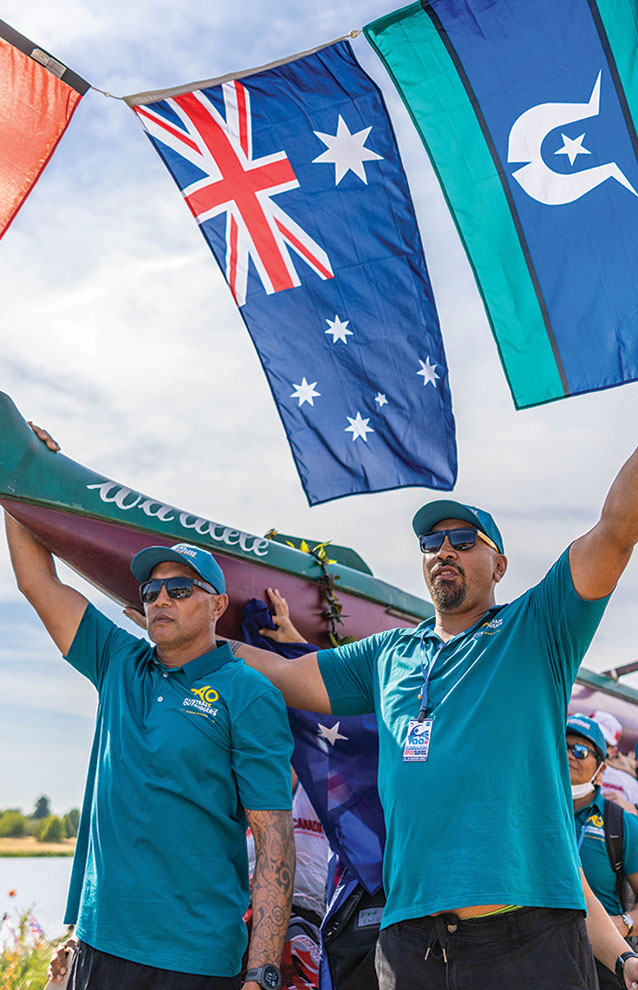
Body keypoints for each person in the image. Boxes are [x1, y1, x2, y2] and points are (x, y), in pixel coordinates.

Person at [223, 446, 638, 990]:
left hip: (529, 940)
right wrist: (195, 641)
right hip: (410, 945)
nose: (444, 550)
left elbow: (615, 529)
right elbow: (284, 675)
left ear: (499, 566)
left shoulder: (537, 628)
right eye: (431, 542)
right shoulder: (387, 653)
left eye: (463, 541)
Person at [5, 454, 295, 990]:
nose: (161, 598)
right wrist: (18, 467)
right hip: (101, 944)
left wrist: (262, 973)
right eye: (150, 592)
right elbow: (35, 580)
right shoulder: (118, 661)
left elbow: (274, 839)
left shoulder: (249, 694)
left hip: (196, 959)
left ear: (217, 606)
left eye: (180, 590)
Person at [568, 714, 638, 989]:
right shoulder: (528, 813)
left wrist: (622, 925)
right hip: (535, 955)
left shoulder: (621, 822)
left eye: (581, 750)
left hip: (601, 963)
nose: (569, 755)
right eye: (561, 747)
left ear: (601, 767)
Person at [591, 709, 638, 814]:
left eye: (603, 742)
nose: (593, 745)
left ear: (612, 751)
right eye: (589, 737)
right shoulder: (561, 769)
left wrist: (633, 812)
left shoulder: (628, 783)